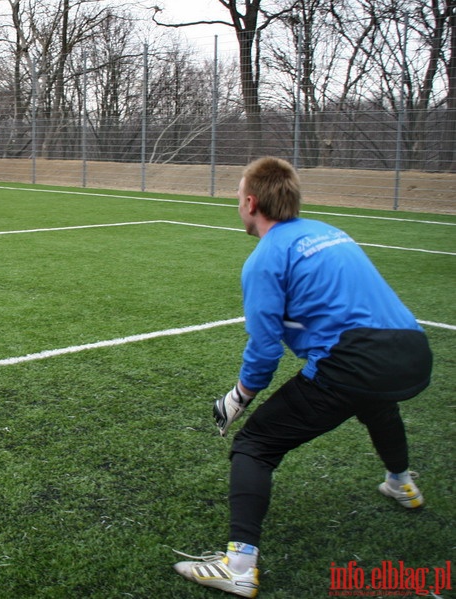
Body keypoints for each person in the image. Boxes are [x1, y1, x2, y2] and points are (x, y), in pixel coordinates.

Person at [173, 157, 433, 598]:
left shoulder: (265, 259)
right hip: (412, 351)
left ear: (252, 202)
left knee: (255, 446)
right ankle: (401, 483)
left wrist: (239, 396)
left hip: (356, 360)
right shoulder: (330, 232)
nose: (238, 203)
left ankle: (239, 566)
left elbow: (265, 347)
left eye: (239, 196)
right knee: (376, 402)